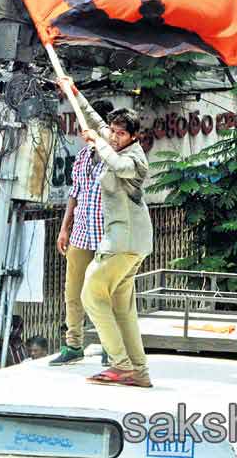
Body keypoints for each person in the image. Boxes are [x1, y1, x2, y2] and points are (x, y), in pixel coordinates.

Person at [65, 82, 153, 388]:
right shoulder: (112, 141)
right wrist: (72, 91)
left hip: (122, 242)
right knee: (121, 306)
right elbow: (93, 120)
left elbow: (115, 163)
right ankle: (138, 369)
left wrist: (97, 141)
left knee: (90, 294)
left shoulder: (134, 159)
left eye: (120, 133)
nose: (113, 136)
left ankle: (119, 364)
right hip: (128, 243)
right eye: (112, 131)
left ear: (133, 137)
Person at [51, 98, 114, 367]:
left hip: (107, 235)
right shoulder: (82, 157)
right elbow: (75, 193)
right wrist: (64, 228)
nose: (83, 131)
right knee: (72, 292)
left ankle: (111, 347)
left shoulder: (116, 158)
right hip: (80, 233)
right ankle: (73, 344)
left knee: (105, 293)